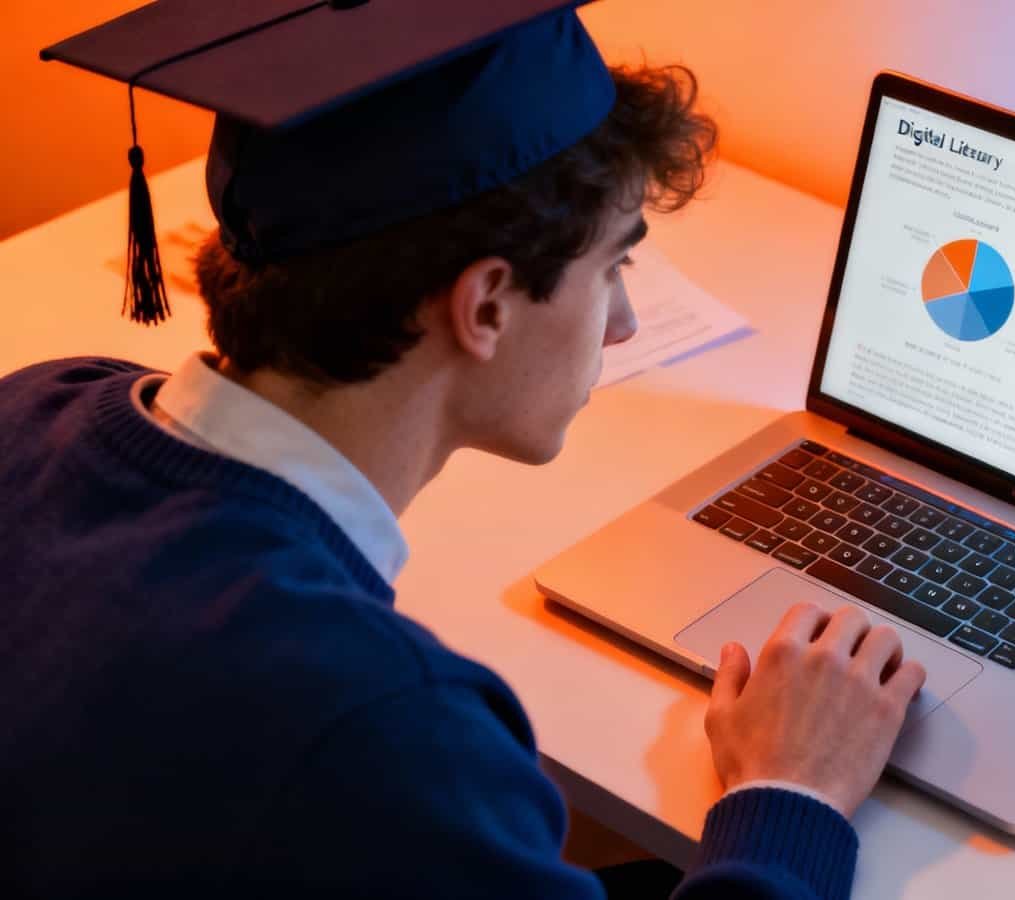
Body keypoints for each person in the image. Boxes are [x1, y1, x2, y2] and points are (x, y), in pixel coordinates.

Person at [1, 3, 925, 898]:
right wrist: (789, 796)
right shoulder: (385, 736)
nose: (625, 323)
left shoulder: (40, 402)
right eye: (614, 268)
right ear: (485, 305)